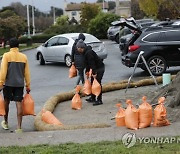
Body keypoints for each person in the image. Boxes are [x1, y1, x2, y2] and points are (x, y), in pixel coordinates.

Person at [0, 38, 31, 133]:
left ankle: (5, 122)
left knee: (6, 102)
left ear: (9, 45)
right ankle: (19, 127)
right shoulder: (24, 57)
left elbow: (3, 71)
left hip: (8, 84)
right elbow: (27, 73)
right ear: (18, 46)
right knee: (19, 103)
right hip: (19, 84)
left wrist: (1, 83)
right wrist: (28, 85)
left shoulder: (6, 56)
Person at [76, 40, 105, 106]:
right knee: (92, 83)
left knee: (97, 84)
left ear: (81, 48)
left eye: (78, 48)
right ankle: (93, 97)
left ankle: (99, 100)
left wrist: (94, 73)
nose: (77, 49)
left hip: (99, 68)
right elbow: (88, 63)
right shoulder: (85, 52)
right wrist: (87, 71)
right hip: (96, 68)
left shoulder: (88, 53)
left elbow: (92, 63)